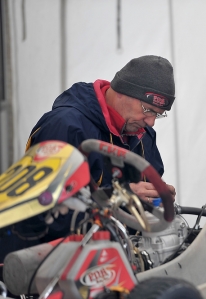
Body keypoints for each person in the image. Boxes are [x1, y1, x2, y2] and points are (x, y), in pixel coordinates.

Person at [0, 55, 176, 264]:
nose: (152, 122)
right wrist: (121, 197)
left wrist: (155, 196)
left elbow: (144, 190)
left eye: (159, 114)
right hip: (38, 265)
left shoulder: (142, 132)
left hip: (108, 257)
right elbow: (46, 210)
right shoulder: (65, 127)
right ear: (122, 92)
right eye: (148, 110)